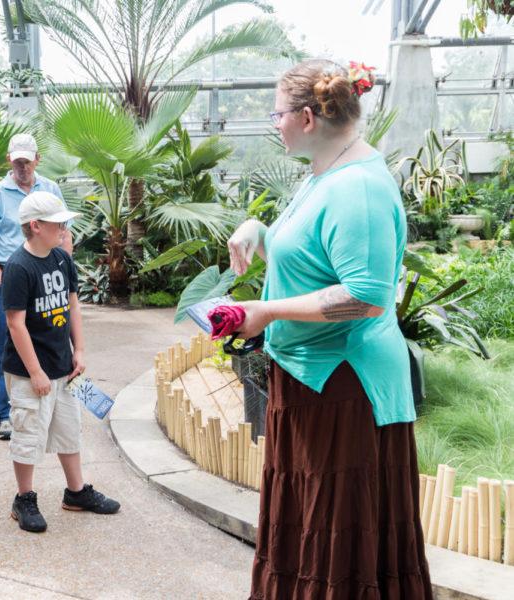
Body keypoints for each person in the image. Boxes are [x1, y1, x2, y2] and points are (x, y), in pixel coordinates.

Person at [226, 60, 432, 598]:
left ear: (309, 117)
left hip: (345, 389)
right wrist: (258, 231)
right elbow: (314, 261)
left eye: (278, 113)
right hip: (313, 379)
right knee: (312, 531)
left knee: (337, 539)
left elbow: (364, 299)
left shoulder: (355, 188)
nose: (275, 123)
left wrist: (267, 313)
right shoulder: (326, 172)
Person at [2, 191, 120, 533]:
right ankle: (24, 498)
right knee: (28, 433)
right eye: (58, 224)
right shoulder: (18, 267)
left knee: (69, 430)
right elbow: (15, 323)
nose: (65, 228)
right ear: (35, 226)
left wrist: (78, 350)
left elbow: (72, 305)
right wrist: (35, 372)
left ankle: (76, 491)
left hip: (63, 366)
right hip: (30, 372)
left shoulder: (61, 258)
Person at [0, 133, 73, 441]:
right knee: (9, 342)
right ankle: (4, 413)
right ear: (9, 160)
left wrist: (64, 268)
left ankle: (52, 400)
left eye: (27, 162)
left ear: (37, 159)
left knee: (53, 334)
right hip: (12, 274)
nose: (22, 167)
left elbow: (64, 232)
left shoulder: (51, 189)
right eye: (17, 161)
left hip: (48, 272)